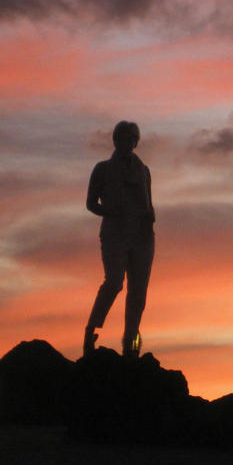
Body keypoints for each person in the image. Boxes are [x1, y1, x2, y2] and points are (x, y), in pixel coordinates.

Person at [84, 121, 155, 358]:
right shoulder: (103, 169)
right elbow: (91, 203)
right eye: (125, 138)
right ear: (116, 140)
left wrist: (148, 220)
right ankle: (91, 331)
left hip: (142, 237)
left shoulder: (144, 170)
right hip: (115, 233)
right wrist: (112, 213)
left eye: (133, 138)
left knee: (138, 293)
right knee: (114, 282)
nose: (130, 143)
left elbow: (149, 204)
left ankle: (131, 345)